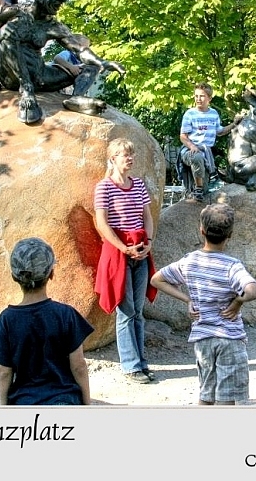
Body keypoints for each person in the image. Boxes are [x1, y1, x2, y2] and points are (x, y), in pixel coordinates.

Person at [150, 203, 256, 405]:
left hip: (203, 339)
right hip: (229, 338)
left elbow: (156, 280)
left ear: (201, 231)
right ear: (231, 235)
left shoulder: (189, 261)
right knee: (227, 399)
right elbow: (253, 290)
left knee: (206, 395)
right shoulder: (232, 266)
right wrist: (238, 301)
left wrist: (188, 299)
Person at [0, 237, 93, 405]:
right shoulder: (66, 314)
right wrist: (86, 404)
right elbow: (78, 366)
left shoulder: (7, 319)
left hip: (25, 403)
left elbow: (4, 371)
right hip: (64, 401)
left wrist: (4, 408)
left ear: (14, 276)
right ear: (51, 274)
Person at [93, 138, 157, 384]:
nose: (129, 158)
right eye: (123, 155)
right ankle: (130, 366)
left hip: (140, 249)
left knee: (138, 310)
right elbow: (102, 224)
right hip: (118, 253)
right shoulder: (103, 188)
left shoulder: (139, 184)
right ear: (112, 159)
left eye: (131, 154)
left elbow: (146, 217)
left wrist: (149, 241)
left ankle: (141, 362)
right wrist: (123, 248)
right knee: (126, 310)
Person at [179, 83, 239, 202]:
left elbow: (220, 131)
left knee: (205, 194)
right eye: (196, 96)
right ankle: (198, 189)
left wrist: (235, 124)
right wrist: (192, 146)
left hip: (206, 153)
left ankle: (204, 187)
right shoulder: (189, 114)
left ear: (209, 98)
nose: (198, 99)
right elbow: (183, 136)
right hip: (189, 150)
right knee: (196, 157)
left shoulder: (214, 114)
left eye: (201, 96)